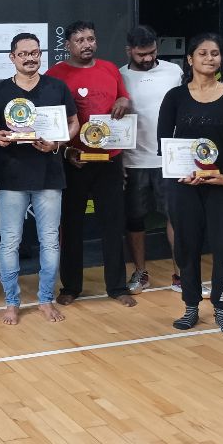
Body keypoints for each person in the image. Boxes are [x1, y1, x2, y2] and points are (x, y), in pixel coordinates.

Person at [0, 33, 78, 324]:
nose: (30, 58)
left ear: (41, 55)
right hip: (11, 175)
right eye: (23, 53)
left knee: (49, 241)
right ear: (12, 57)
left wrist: (58, 143)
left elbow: (74, 123)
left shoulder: (56, 87)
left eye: (35, 53)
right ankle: (12, 302)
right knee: (10, 242)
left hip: (49, 175)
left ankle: (45, 299)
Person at [157, 34, 223, 336]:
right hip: (184, 185)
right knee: (186, 245)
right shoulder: (175, 97)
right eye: (203, 53)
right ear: (190, 59)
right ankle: (191, 306)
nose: (210, 58)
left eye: (215, 53)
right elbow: (164, 141)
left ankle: (222, 309)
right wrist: (181, 172)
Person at [46, 20, 136, 306]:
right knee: (71, 226)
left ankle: (118, 287)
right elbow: (49, 121)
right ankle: (71, 286)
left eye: (91, 39)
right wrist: (65, 151)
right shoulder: (54, 75)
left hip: (109, 159)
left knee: (113, 223)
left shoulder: (110, 69)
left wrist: (124, 101)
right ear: (67, 45)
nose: (87, 45)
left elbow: (124, 97)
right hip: (73, 161)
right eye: (80, 40)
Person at [119, 25, 183, 293]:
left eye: (152, 52)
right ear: (129, 51)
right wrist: (118, 160)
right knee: (135, 220)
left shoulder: (174, 71)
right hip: (133, 160)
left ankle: (181, 275)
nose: (147, 58)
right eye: (141, 54)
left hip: (169, 159)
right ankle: (140, 273)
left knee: (176, 218)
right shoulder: (119, 76)